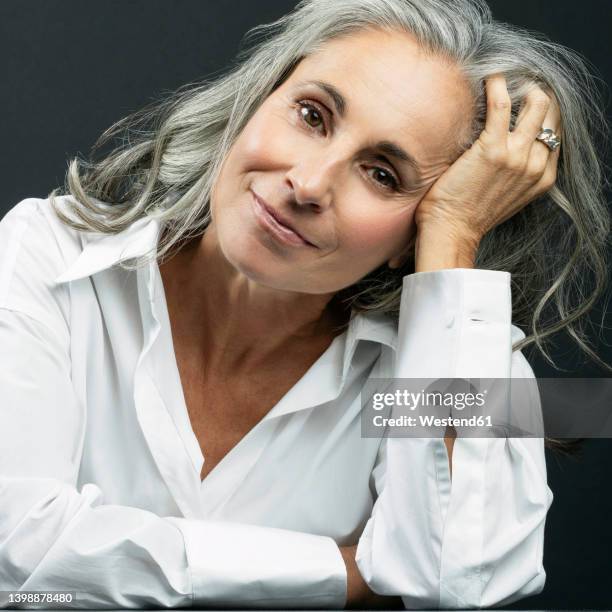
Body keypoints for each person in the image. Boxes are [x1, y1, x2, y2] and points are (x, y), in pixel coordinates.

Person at [0, 0, 608, 609]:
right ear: (258, 98)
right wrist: (347, 573)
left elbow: (457, 583)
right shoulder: (45, 257)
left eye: (383, 175)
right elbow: (14, 555)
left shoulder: (459, 368)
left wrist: (451, 236)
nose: (310, 184)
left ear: (413, 239)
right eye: (312, 115)